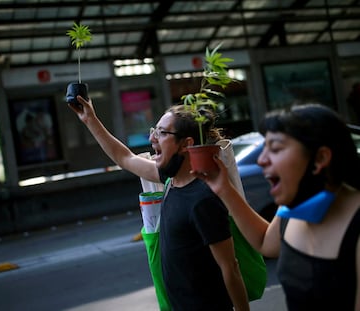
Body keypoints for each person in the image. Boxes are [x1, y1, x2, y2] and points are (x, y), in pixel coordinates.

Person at [69, 95, 249, 311]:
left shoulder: (203, 199)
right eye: (155, 130)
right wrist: (90, 119)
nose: (152, 138)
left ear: (186, 144)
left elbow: (230, 268)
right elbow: (124, 158)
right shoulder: (170, 180)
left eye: (162, 133)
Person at [193, 103, 360, 311]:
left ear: (320, 158)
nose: (262, 160)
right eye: (264, 149)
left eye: (276, 149)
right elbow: (265, 242)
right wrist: (224, 189)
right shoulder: (296, 208)